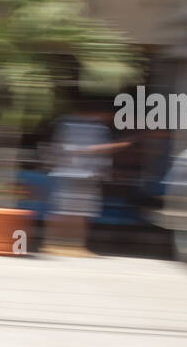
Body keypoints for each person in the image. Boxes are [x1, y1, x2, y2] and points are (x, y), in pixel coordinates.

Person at [43, 92, 132, 256]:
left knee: (82, 213)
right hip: (69, 174)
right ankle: (52, 243)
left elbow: (100, 154)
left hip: (87, 175)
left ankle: (77, 245)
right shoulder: (70, 125)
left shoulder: (96, 127)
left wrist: (104, 169)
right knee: (64, 210)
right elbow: (66, 149)